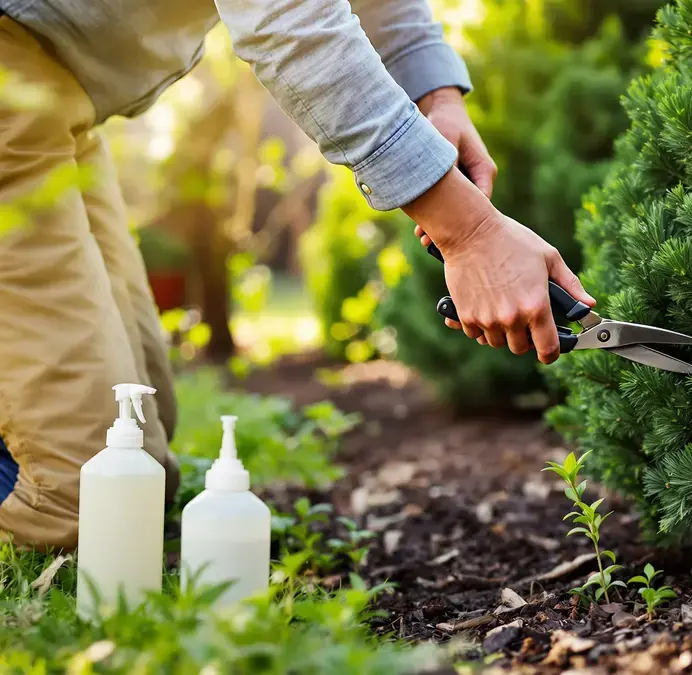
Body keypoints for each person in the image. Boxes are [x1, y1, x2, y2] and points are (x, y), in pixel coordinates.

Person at [0, 0, 594, 551]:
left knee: (137, 460)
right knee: (73, 499)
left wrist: (439, 95)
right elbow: (288, 20)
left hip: (56, 99)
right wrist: (468, 232)